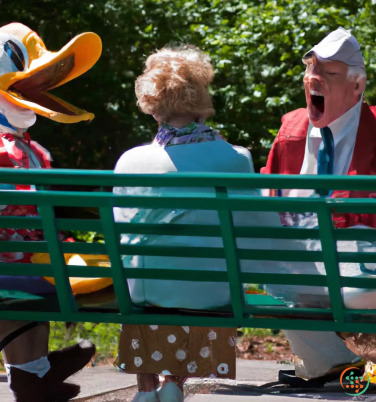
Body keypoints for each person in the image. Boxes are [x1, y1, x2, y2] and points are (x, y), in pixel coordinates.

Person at [112, 44, 267, 402]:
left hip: (144, 294)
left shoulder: (130, 161)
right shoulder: (235, 159)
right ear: (201, 97)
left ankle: (146, 388)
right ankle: (174, 384)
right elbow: (253, 234)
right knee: (210, 278)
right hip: (211, 294)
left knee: (145, 273)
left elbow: (126, 241)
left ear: (153, 105)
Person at [0, 23, 102, 401]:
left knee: (33, 270)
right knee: (104, 267)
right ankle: (34, 375)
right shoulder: (3, 151)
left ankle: (34, 377)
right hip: (28, 269)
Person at [261, 27, 376, 381]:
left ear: (357, 86)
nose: (315, 78)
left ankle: (327, 362)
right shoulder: (291, 130)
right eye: (311, 70)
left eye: (330, 73)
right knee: (273, 272)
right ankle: (331, 363)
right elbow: (269, 201)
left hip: (360, 274)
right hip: (305, 270)